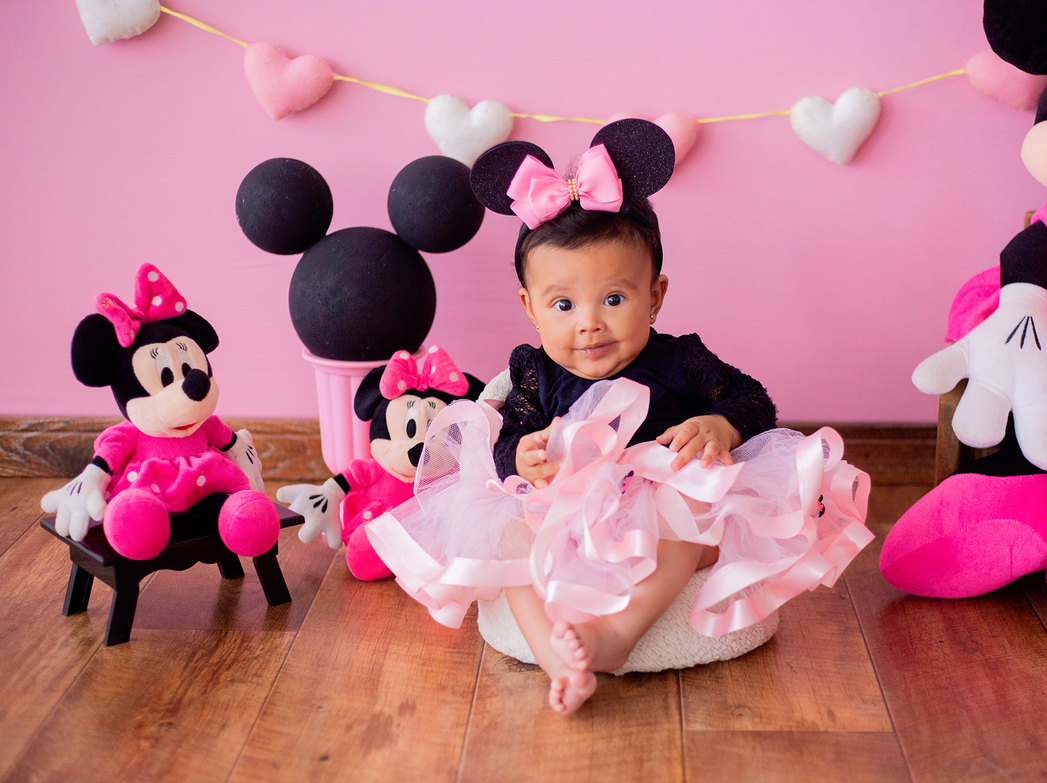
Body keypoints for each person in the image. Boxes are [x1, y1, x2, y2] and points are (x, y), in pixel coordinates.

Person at [367, 120, 871, 714]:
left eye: (614, 298)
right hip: (562, 508)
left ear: (654, 295)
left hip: (661, 502)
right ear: (530, 308)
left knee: (690, 519)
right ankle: (558, 660)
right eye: (563, 304)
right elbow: (509, 431)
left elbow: (752, 397)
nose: (589, 322)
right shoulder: (533, 370)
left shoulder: (681, 359)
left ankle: (615, 636)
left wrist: (722, 426)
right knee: (507, 540)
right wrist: (522, 454)